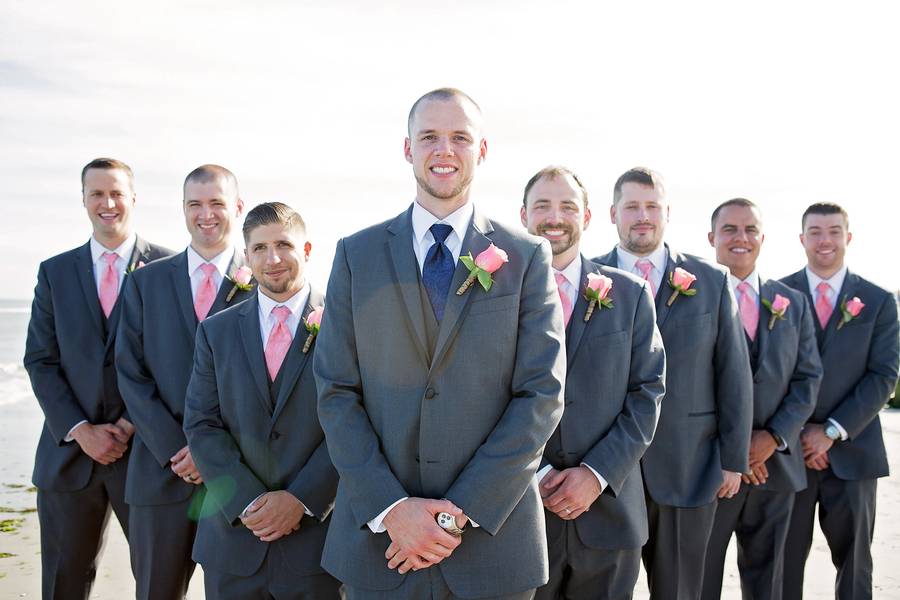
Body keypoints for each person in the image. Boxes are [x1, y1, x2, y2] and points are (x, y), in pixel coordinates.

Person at [314, 88, 566, 599]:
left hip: (492, 543)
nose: (443, 150)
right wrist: (392, 509)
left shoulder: (526, 256)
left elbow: (541, 394)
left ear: (482, 150)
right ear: (408, 148)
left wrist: (461, 511)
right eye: (429, 136)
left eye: (460, 137)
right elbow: (337, 391)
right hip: (382, 544)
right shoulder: (355, 255)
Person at [593, 167, 752, 600]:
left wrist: (733, 458)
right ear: (612, 214)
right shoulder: (590, 278)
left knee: (683, 591)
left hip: (690, 466)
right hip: (605, 472)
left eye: (651, 206)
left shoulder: (713, 281)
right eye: (631, 207)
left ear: (667, 213)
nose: (642, 216)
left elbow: (733, 374)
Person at [24, 157, 173, 599]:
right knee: (63, 585)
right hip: (69, 458)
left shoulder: (168, 268)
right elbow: (40, 360)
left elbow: (174, 362)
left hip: (145, 457)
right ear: (84, 200)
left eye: (116, 193)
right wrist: (81, 430)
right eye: (97, 194)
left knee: (158, 586)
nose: (107, 203)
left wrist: (129, 423)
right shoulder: (55, 272)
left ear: (133, 198)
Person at [520, 166, 665, 600]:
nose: (554, 216)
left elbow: (647, 393)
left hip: (609, 510)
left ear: (585, 218)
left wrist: (595, 474)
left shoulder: (631, 294)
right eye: (542, 205)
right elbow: (480, 396)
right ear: (523, 214)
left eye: (567, 206)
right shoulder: (495, 295)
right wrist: (538, 472)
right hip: (522, 513)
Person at [183, 202, 341, 599]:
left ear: (305, 251)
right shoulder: (215, 332)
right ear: (247, 254)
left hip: (318, 544)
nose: (272, 259)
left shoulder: (345, 325)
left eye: (283, 245)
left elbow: (357, 419)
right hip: (233, 541)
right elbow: (202, 424)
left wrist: (301, 499)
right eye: (259, 248)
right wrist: (248, 500)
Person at [115, 164, 253, 599]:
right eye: (195, 204)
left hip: (239, 478)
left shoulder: (266, 281)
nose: (205, 214)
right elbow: (131, 374)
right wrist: (179, 449)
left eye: (216, 203)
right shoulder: (144, 283)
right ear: (183, 210)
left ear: (238, 207)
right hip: (161, 474)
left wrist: (211, 452)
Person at [701, 198, 822, 600]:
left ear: (763, 238)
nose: (741, 238)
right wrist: (735, 451)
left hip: (776, 469)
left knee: (769, 583)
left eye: (750, 229)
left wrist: (772, 439)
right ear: (711, 238)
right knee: (701, 580)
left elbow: (807, 379)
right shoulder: (691, 298)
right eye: (730, 229)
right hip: (711, 469)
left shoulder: (792, 301)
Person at [780, 202, 900, 599]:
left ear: (847, 237)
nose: (824, 240)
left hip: (855, 451)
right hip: (788, 453)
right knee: (782, 560)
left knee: (854, 564)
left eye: (833, 231)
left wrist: (830, 432)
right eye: (814, 231)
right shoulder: (777, 296)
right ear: (802, 239)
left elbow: (884, 374)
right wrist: (798, 432)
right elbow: (766, 374)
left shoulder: (879, 301)